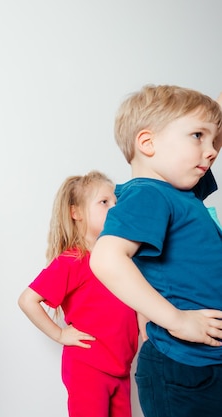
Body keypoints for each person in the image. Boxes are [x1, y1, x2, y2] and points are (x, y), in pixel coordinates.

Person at [90, 85, 222, 417]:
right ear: (147, 143)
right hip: (184, 370)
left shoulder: (182, 192)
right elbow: (106, 259)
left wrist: (209, 121)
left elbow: (213, 126)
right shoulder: (150, 195)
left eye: (213, 140)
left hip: (206, 363)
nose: (211, 151)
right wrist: (176, 320)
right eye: (197, 136)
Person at [18, 171, 138, 417]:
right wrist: (60, 334)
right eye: (104, 202)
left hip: (121, 367)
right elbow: (27, 300)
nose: (114, 207)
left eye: (115, 201)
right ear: (77, 213)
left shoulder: (119, 258)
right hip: (89, 368)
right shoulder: (72, 260)